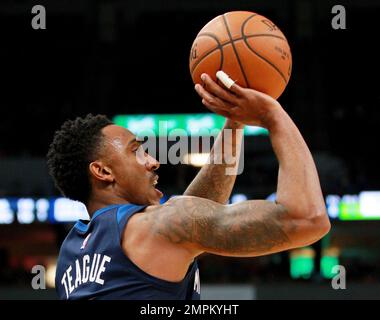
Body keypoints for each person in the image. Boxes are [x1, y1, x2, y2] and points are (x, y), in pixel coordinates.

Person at [47, 72, 330, 300]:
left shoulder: (70, 254)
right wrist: (273, 116)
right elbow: (307, 218)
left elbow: (196, 213)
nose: (154, 161)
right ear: (103, 171)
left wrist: (235, 120)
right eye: (137, 151)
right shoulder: (156, 228)